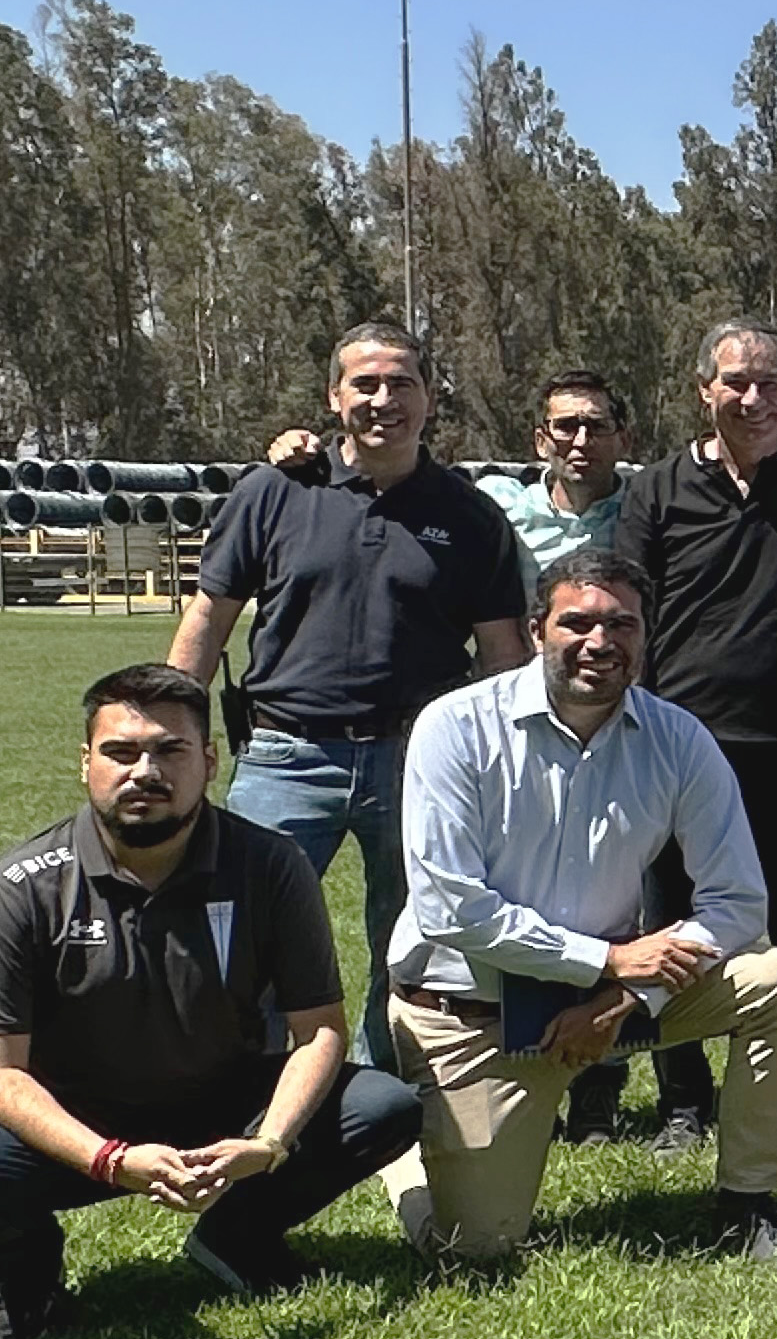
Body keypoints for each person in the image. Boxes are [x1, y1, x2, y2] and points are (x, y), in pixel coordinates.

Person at [0, 665, 423, 1339]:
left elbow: (318, 1030)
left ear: (210, 761)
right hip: (77, 1122)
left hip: (226, 1104)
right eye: (121, 752)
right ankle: (28, 1277)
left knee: (382, 1106)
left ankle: (237, 1236)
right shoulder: (19, 888)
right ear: (86, 763)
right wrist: (110, 1159)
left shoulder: (270, 865)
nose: (145, 771)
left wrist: (268, 1143)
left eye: (170, 751)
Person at [386, 551, 777, 1267]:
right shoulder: (456, 727)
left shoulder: (678, 738)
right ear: (537, 630)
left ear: (646, 635)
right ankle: (404, 1159)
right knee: (475, 1248)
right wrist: (608, 960)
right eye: (578, 623)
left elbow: (739, 902)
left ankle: (749, 1205)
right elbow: (451, 909)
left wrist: (628, 995)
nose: (601, 642)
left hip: (610, 1003)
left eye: (622, 624)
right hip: (474, 1015)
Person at [170, 320, 530, 1066]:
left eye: (402, 383)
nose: (383, 399)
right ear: (335, 397)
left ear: (429, 400)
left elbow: (502, 656)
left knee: (414, 942)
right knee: (245, 933)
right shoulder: (274, 491)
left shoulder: (470, 517)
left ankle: (380, 1092)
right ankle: (249, 1089)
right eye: (365, 383)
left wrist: (501, 769)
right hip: (285, 755)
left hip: (421, 763)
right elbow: (209, 616)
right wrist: (169, 727)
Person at [584, 327, 777, 1147]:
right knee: (672, 929)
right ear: (704, 389)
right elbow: (628, 603)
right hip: (676, 747)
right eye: (736, 382)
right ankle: (684, 1101)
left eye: (770, 383)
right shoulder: (659, 490)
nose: (753, 398)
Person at [485, 370, 633, 597]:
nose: (581, 441)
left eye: (598, 426)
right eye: (566, 426)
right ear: (541, 442)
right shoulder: (503, 511)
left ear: (624, 441)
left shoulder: (645, 515)